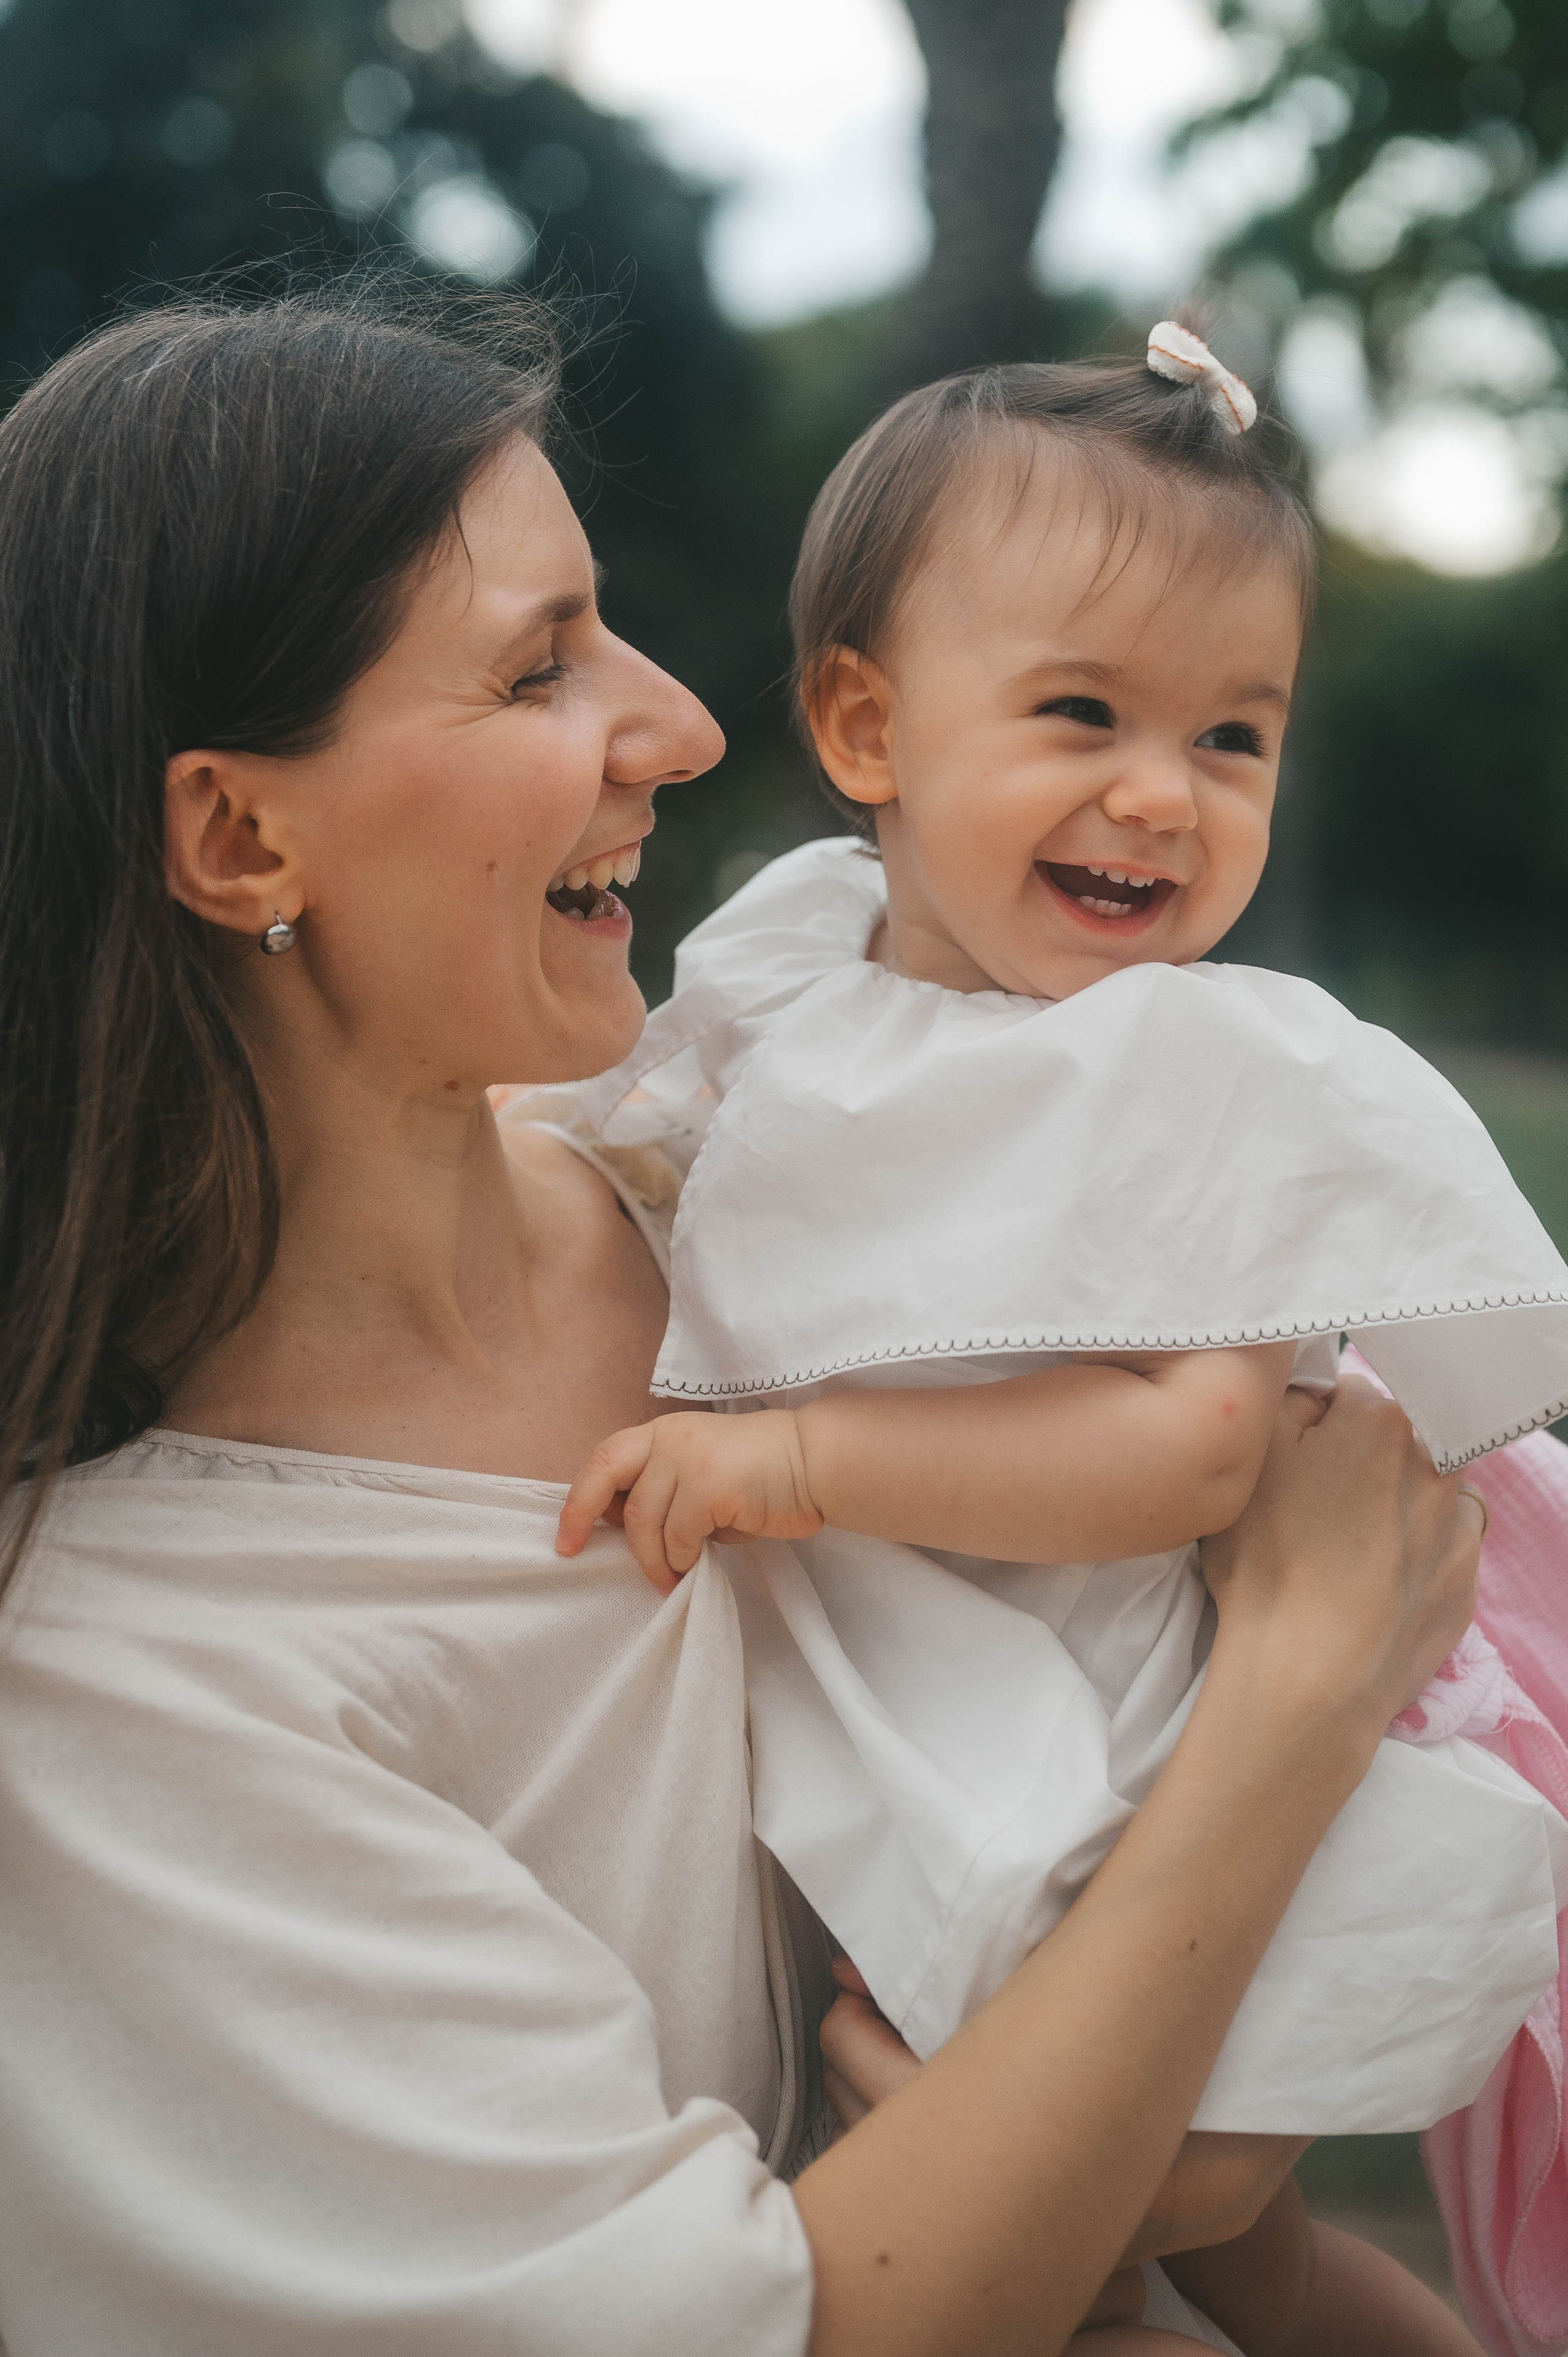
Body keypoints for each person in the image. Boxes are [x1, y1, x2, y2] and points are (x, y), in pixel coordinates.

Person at [0, 284, 1483, 2357]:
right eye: (540, 664)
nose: (691, 723)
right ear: (245, 835)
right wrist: (1298, 1704)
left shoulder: (724, 1190)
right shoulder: (132, 1690)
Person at [552, 328, 1568, 2350]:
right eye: (1084, 710)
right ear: (869, 726)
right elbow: (645, 1138)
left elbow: (1197, 1451)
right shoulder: (797, 963)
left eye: (1233, 738)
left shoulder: (1212, 1068)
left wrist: (799, 1456)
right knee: (1108, 2235)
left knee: (1190, 2223)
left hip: (1143, 1721)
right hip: (920, 1681)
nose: (1160, 794)